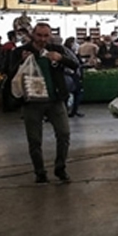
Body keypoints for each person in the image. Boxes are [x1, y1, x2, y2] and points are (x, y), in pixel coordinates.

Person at [14, 23, 78, 183]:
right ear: (32, 35)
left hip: (55, 100)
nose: (42, 39)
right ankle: (39, 171)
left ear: (50, 35)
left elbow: (75, 64)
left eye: (46, 35)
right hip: (32, 102)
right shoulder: (20, 51)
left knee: (64, 134)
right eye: (39, 35)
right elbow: (9, 72)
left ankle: (60, 168)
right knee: (34, 139)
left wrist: (60, 58)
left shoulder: (57, 49)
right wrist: (21, 62)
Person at [62, 37, 84, 117]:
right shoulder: (67, 52)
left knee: (75, 93)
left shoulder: (73, 52)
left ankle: (73, 111)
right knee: (72, 93)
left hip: (73, 74)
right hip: (70, 75)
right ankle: (70, 111)